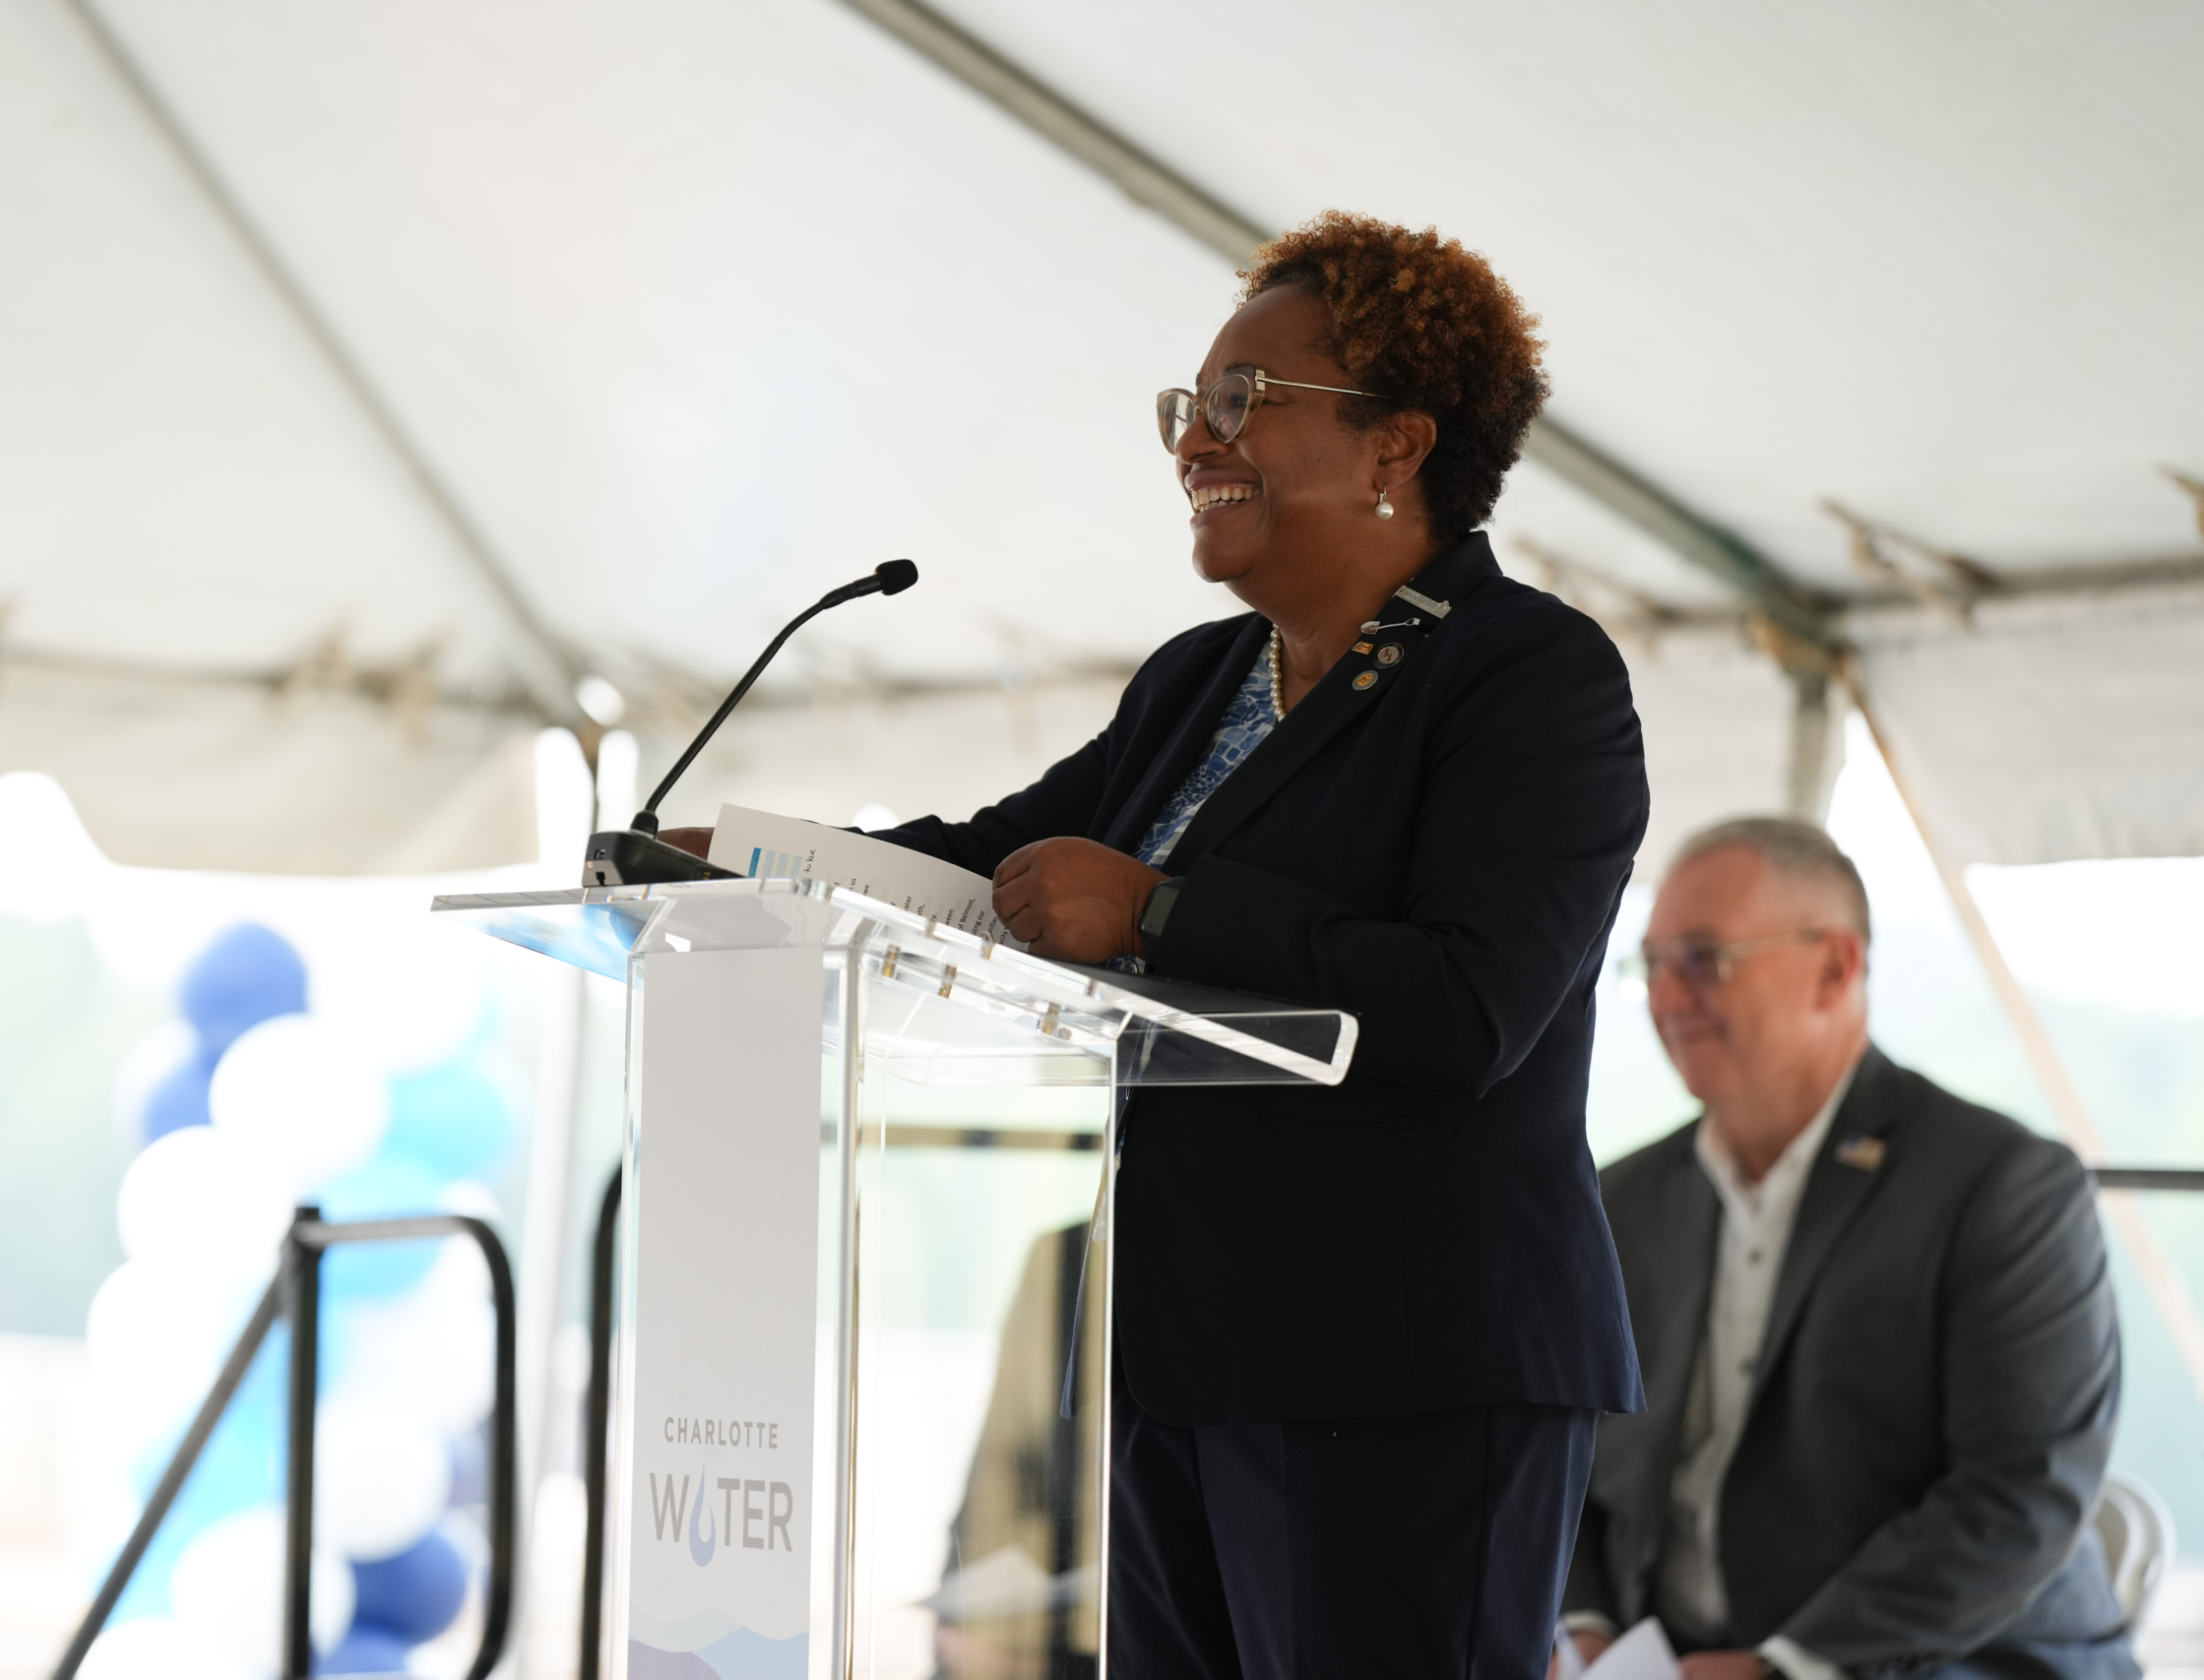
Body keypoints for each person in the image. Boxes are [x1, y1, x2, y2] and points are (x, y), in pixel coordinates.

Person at [676, 211, 1650, 1676]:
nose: (1197, 438)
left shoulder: (1528, 676)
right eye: (1189, 407)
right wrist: (742, 866)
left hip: (1409, 1370)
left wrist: (1165, 909)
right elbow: (988, 865)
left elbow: (1471, 1001)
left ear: (1397, 443)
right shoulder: (1200, 680)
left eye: (1245, 400)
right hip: (1182, 1351)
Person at [1565, 818, 2133, 1680]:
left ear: (1835, 968)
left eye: (1703, 958)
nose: (1667, 999)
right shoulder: (1623, 1198)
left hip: (1954, 1658)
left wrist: (1785, 1666)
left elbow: (2020, 1492)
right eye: (1652, 964)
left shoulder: (2004, 1187)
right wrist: (1585, 1625)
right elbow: (1565, 1456)